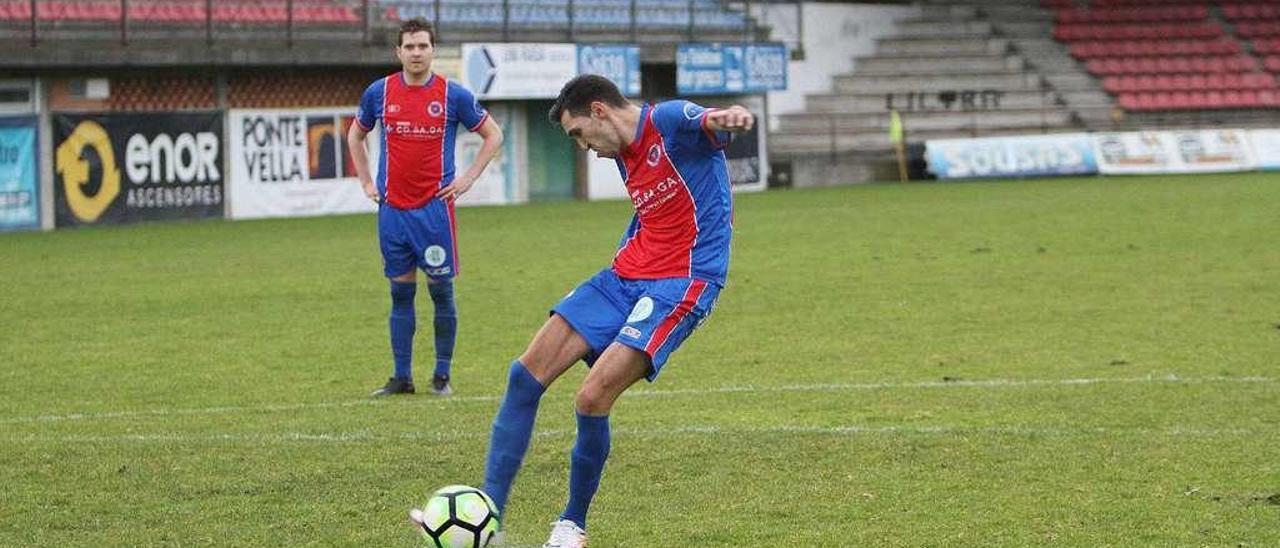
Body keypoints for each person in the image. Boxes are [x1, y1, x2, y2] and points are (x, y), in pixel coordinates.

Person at [480, 75, 753, 547]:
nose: (583, 146)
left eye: (579, 134)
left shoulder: (666, 120)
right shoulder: (625, 157)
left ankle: (570, 526)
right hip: (624, 276)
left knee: (590, 398)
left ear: (600, 111)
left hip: (684, 283)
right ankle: (487, 515)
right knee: (524, 375)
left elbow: (710, 124)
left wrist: (728, 118)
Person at [347, 18, 503, 397]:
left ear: (433, 50)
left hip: (434, 212)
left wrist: (468, 179)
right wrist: (366, 182)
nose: (416, 53)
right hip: (393, 213)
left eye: (423, 46)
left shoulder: (453, 95)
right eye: (410, 47)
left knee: (441, 293)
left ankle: (442, 376)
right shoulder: (379, 93)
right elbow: (356, 134)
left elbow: (493, 134)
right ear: (398, 52)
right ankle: (402, 377)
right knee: (400, 294)